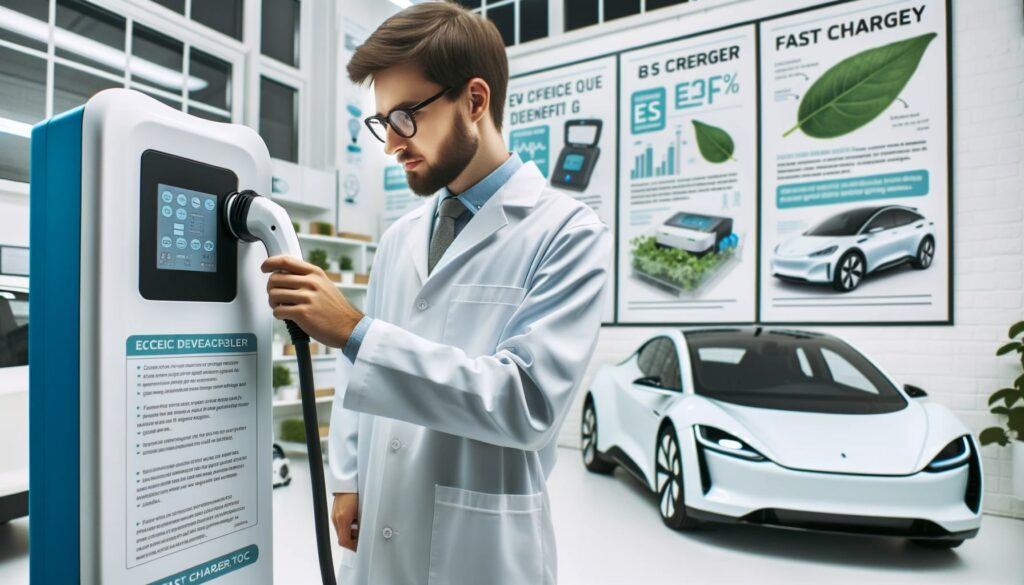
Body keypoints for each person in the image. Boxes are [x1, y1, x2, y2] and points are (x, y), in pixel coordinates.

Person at [261, 2, 611, 583]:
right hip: (379, 519)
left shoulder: (567, 233)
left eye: (405, 117)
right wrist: (347, 477)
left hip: (482, 544)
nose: (391, 145)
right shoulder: (400, 238)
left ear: (475, 101)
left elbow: (526, 403)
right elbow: (357, 374)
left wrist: (353, 329)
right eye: (381, 124)